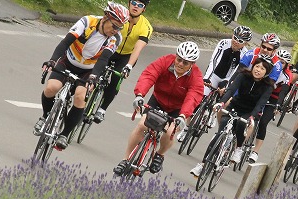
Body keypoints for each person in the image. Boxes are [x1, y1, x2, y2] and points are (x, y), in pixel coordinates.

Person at [34, 2, 129, 150]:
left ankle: (64, 134)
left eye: (120, 28)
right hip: (69, 61)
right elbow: (66, 42)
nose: (116, 30)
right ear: (105, 18)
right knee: (52, 88)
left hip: (89, 70)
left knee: (80, 96)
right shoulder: (87, 21)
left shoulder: (115, 38)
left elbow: (103, 59)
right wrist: (53, 60)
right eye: (115, 26)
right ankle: (45, 116)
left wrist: (94, 76)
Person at [113, 41, 204, 175]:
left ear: (192, 64)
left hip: (177, 109)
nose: (180, 64)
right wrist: (139, 95)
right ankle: (125, 160)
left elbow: (193, 96)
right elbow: (149, 75)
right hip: (158, 100)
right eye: (179, 59)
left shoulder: (196, 76)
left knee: (169, 132)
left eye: (185, 63)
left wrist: (183, 115)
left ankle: (160, 155)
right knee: (141, 126)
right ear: (175, 56)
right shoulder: (165, 61)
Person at [190, 56, 275, 177]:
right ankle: (203, 165)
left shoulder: (268, 86)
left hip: (250, 111)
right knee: (218, 136)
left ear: (266, 72)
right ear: (253, 67)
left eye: (262, 68)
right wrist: (221, 102)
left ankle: (238, 148)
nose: (258, 70)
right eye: (256, 66)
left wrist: (252, 117)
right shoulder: (243, 75)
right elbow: (231, 90)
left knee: (243, 124)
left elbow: (261, 103)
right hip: (236, 105)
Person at [93, 0, 153, 124]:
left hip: (126, 56)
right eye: (134, 3)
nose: (136, 7)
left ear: (144, 9)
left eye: (140, 5)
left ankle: (102, 109)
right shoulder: (121, 18)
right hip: (111, 49)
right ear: (129, 3)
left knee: (116, 79)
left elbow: (138, 48)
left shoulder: (146, 27)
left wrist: (129, 66)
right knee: (95, 70)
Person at [254, 49, 293, 161]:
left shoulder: (287, 75)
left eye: (283, 62)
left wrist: (278, 105)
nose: (280, 64)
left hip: (274, 98)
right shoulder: (269, 67)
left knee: (263, 122)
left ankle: (256, 151)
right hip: (263, 93)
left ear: (286, 65)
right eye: (279, 60)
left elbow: (283, 92)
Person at [202, 25, 253, 96]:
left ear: (245, 43)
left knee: (223, 101)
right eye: (235, 38)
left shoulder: (245, 54)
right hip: (214, 75)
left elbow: (237, 71)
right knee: (201, 96)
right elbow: (214, 61)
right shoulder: (224, 43)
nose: (236, 42)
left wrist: (227, 82)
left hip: (228, 78)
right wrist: (207, 78)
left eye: (240, 41)